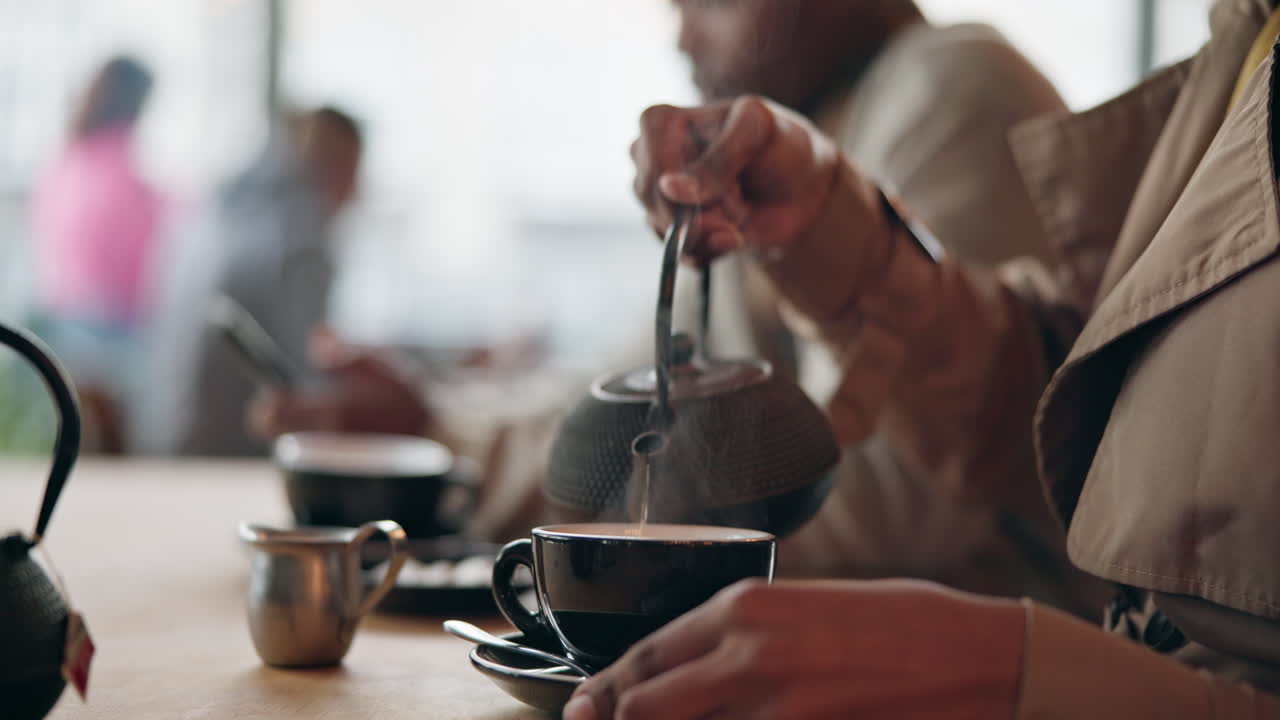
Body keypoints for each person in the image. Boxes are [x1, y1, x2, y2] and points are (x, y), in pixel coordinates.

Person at [250, 1, 1105, 614]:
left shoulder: (948, 85)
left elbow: (894, 508)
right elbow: (627, 397)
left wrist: (490, 485)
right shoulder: (786, 150)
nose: (681, 25)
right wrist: (436, 434)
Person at [564, 0, 1280, 717]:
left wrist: (1026, 677)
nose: (684, 32)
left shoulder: (948, 86)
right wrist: (835, 234)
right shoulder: (1248, 39)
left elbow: (916, 501)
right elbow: (1081, 410)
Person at [132, 107, 367, 456]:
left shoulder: (219, 213)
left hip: (159, 438)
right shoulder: (301, 239)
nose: (358, 193)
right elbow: (310, 382)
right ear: (340, 165)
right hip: (227, 459)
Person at [28, 55, 165, 451]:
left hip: (61, 325)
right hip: (109, 334)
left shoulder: (65, 162)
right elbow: (140, 272)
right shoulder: (125, 175)